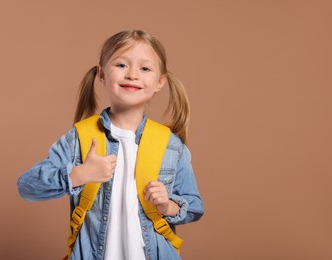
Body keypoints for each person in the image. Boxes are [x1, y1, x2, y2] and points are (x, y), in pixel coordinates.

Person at [17, 29, 204, 260]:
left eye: (144, 68)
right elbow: (26, 187)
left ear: (160, 82)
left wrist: (168, 206)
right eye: (121, 65)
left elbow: (194, 206)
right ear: (102, 74)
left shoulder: (170, 146)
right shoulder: (79, 138)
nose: (132, 75)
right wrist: (78, 175)